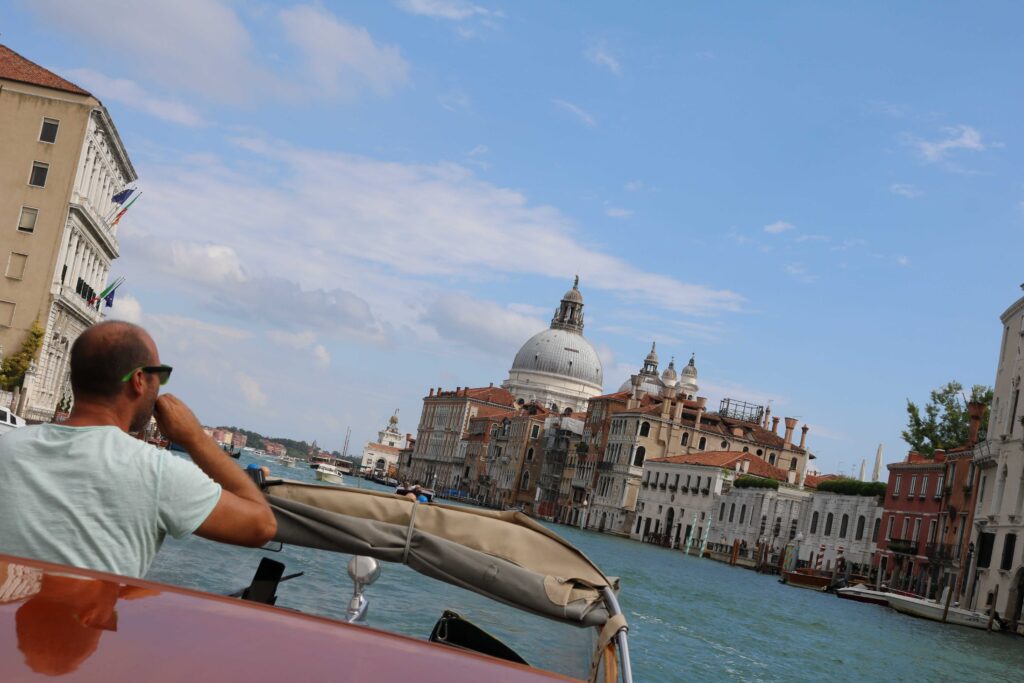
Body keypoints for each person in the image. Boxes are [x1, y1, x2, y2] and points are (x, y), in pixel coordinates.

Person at [0, 321, 276, 578]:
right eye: (161, 376)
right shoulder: (157, 471)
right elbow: (261, 526)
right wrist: (194, 437)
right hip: (84, 617)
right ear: (139, 380)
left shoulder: (8, 446)